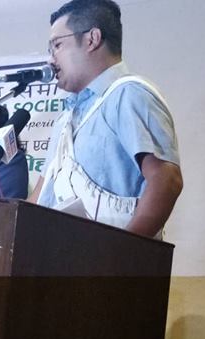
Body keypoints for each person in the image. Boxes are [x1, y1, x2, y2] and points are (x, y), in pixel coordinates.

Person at [29, 0, 183, 237]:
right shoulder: (64, 119)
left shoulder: (128, 94)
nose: (50, 60)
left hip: (109, 258)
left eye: (57, 45)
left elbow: (166, 180)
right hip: (56, 254)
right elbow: (40, 196)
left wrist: (120, 254)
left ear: (92, 39)